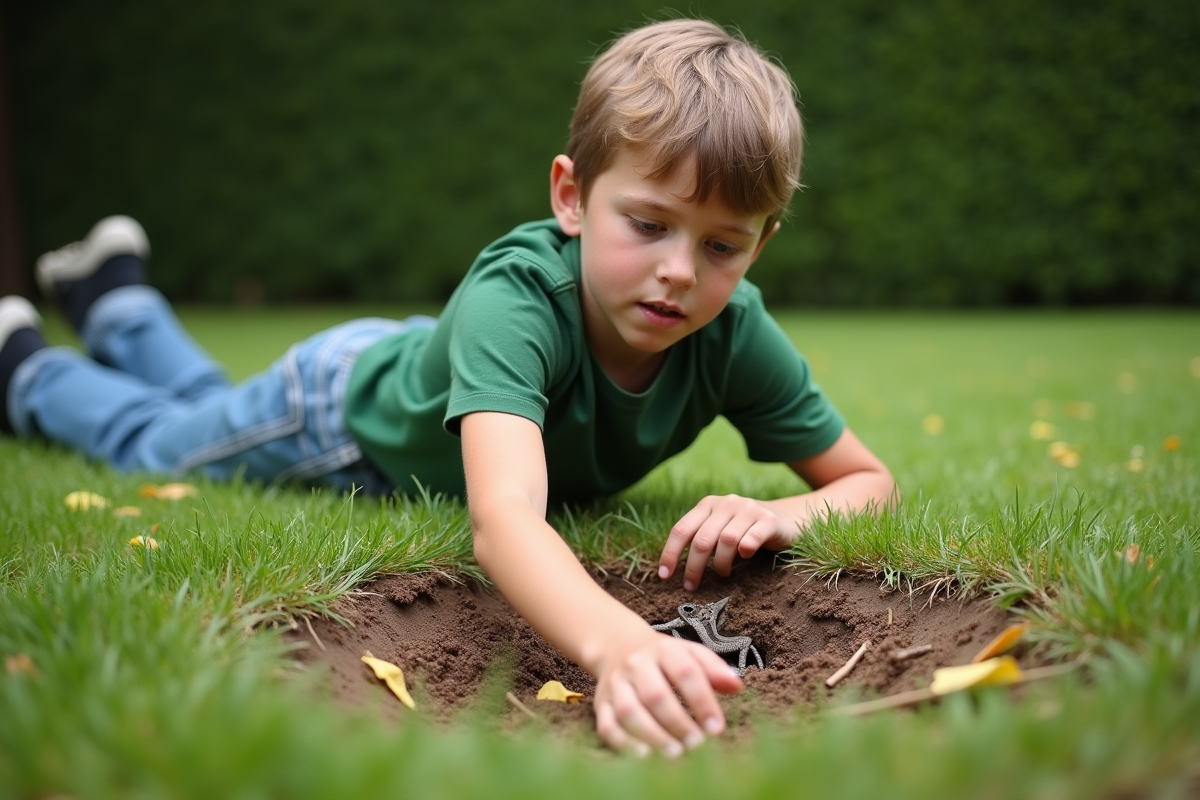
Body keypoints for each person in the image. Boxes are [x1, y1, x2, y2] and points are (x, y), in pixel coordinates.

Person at [0, 18, 896, 755]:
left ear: (759, 245)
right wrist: (621, 642)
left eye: (721, 246)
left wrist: (784, 515)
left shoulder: (735, 333)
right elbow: (505, 520)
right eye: (649, 223)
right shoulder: (520, 297)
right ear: (573, 198)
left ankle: (115, 302)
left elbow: (870, 482)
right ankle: (28, 367)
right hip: (338, 417)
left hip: (417, 369)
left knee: (195, 411)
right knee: (156, 446)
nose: (677, 273)